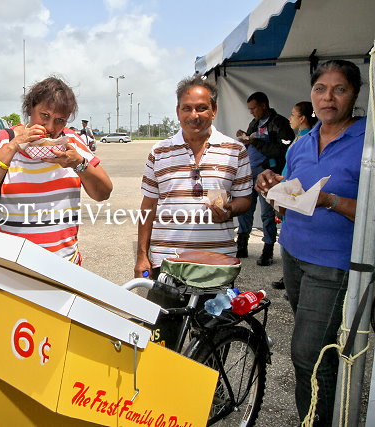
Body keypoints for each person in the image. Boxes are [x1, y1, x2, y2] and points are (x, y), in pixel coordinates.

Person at [256, 60, 365, 426]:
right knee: (322, 352)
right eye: (321, 89)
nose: (328, 97)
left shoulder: (368, 141)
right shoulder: (302, 143)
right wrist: (272, 182)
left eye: (340, 89)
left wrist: (330, 200)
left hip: (334, 263)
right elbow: (291, 187)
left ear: (355, 94)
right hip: (294, 254)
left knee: (308, 355)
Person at [135, 75, 252, 347]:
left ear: (214, 110)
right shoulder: (159, 151)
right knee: (162, 341)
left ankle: (212, 389)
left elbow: (246, 198)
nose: (194, 115)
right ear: (177, 112)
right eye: (187, 108)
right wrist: (142, 256)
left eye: (201, 108)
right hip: (168, 264)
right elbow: (148, 206)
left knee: (213, 342)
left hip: (217, 265)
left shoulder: (236, 150)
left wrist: (231, 209)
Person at [0, 76, 112, 264]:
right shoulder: (6, 138)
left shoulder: (72, 141)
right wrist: (14, 146)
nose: (51, 127)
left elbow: (103, 192)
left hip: (64, 264)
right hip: (12, 265)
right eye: (44, 116)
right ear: (30, 108)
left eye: (60, 120)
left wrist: (79, 164)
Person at [235, 92, 294, 265]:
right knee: (245, 209)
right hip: (250, 173)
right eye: (250, 109)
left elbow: (281, 150)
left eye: (254, 108)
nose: (251, 112)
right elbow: (252, 143)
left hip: (268, 175)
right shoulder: (254, 122)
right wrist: (245, 138)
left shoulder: (280, 123)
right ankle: (242, 245)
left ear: (263, 105)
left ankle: (268, 249)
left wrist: (254, 142)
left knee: (268, 214)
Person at [272, 101, 317, 291]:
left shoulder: (310, 139)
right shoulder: (299, 138)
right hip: (286, 193)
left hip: (294, 196)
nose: (289, 118)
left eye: (292, 114)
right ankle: (289, 275)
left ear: (302, 118)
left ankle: (297, 277)